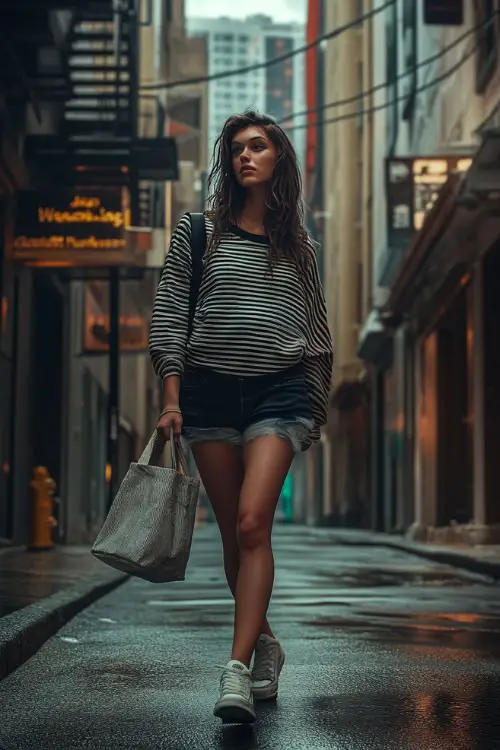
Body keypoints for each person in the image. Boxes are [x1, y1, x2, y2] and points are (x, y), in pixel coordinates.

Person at [149, 111, 333, 724]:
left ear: (279, 159)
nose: (245, 157)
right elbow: (172, 311)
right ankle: (267, 646)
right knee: (233, 535)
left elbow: (317, 335)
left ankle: (235, 668)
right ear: (227, 164)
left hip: (279, 396)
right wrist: (171, 396)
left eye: (258, 147)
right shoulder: (198, 232)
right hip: (207, 395)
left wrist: (314, 406)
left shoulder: (300, 248)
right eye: (235, 150)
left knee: (255, 523)